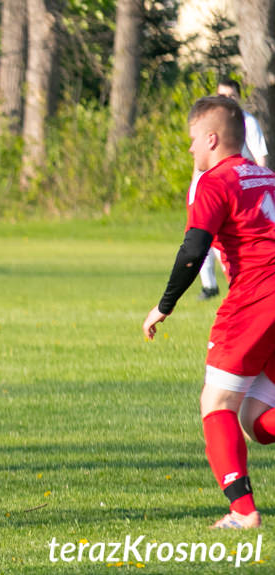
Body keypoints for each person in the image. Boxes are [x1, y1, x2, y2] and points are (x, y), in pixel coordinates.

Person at [143, 95, 275, 529]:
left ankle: (242, 512)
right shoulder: (268, 177)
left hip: (256, 300)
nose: (190, 149)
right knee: (256, 420)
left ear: (213, 139)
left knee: (216, 402)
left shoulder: (214, 182)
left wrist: (163, 306)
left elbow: (193, 249)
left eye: (193, 139)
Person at [197, 78, 268, 301]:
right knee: (201, 238)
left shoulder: (247, 122)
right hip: (217, 186)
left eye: (232, 96)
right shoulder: (211, 123)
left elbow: (260, 157)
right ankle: (209, 286)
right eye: (223, 96)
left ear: (239, 98)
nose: (227, 100)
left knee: (226, 239)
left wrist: (259, 186)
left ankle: (240, 283)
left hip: (240, 188)